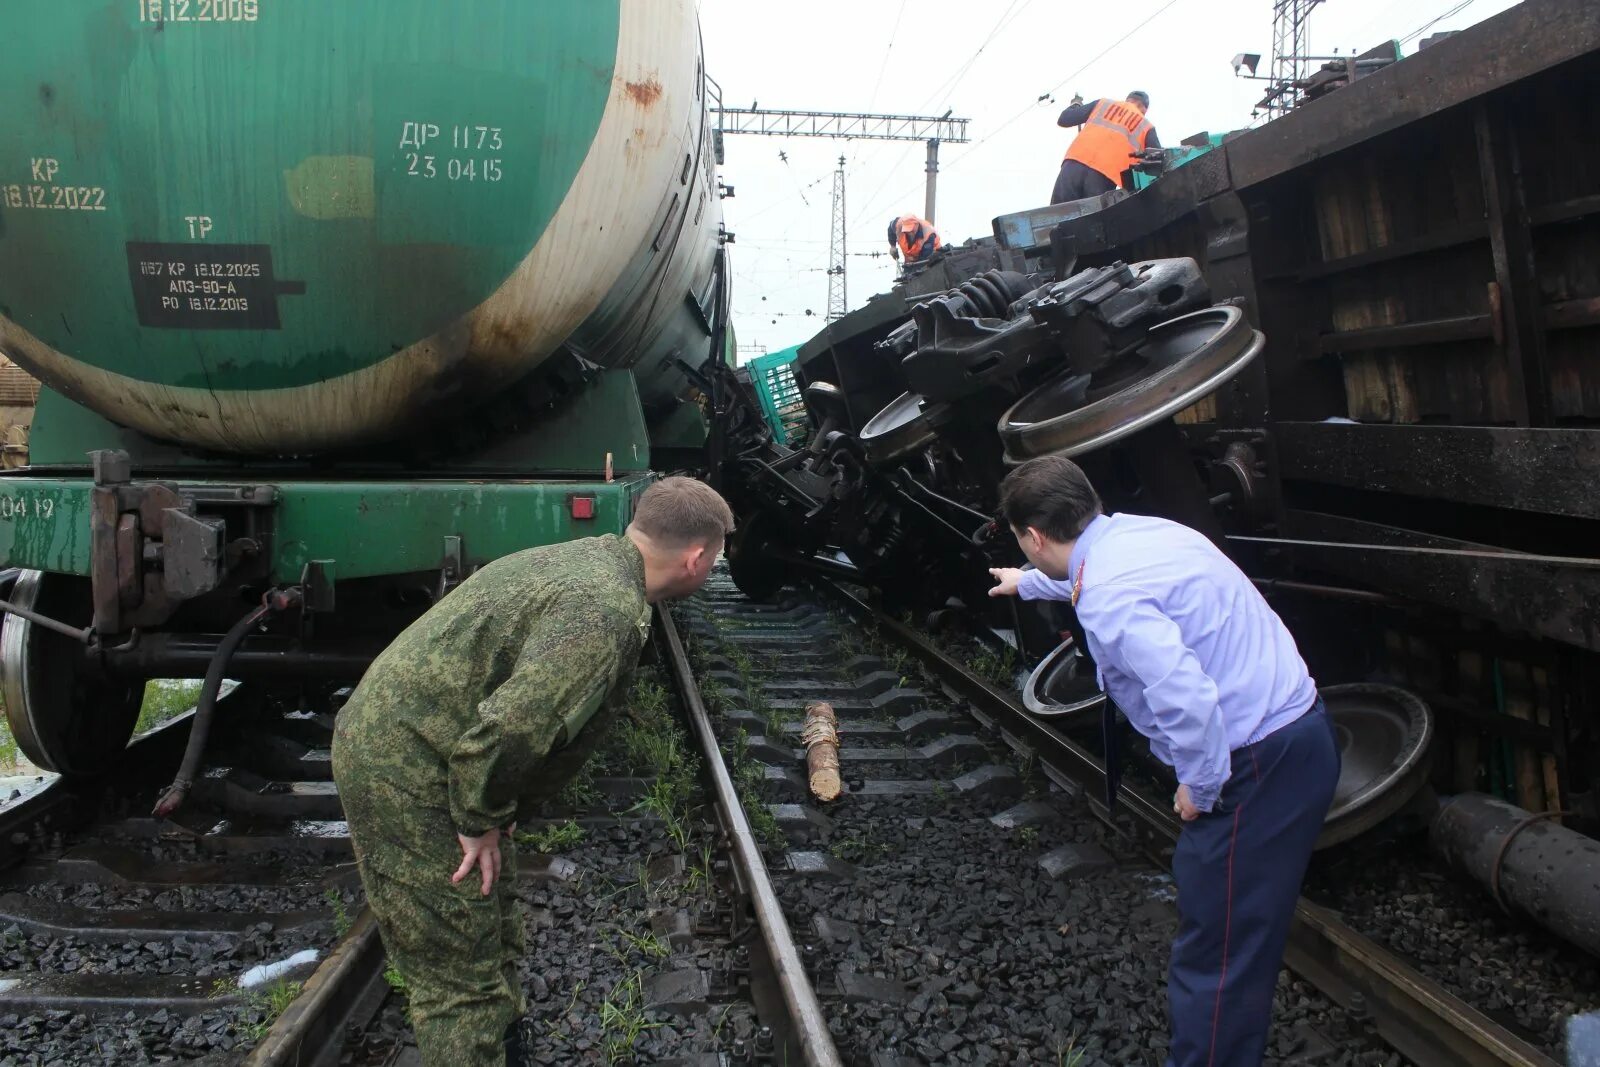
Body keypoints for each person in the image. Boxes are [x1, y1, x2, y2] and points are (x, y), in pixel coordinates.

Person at [331, 477, 734, 1067]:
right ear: (697, 558)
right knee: (456, 971)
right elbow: (511, 730)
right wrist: (478, 816)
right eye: (717, 561)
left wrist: (499, 809)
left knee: (492, 913)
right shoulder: (604, 612)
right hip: (406, 761)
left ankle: (506, 1047)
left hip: (436, 742)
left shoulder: (599, 562)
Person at [987, 454, 1339, 1067]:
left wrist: (1199, 786)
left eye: (1024, 544)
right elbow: (1085, 575)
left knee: (1217, 953)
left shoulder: (1109, 594)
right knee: (1240, 935)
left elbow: (1187, 699)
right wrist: (1028, 581)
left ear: (1035, 536)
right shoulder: (1147, 534)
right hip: (1303, 732)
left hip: (1253, 763)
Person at [1050, 90, 1161, 204]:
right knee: (1091, 218)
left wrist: (1076, 105)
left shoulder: (1103, 104)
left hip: (1073, 165)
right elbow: (1160, 161)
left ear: (1127, 100)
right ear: (1144, 109)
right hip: (1103, 177)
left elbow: (1064, 119)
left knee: (1056, 214)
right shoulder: (1146, 126)